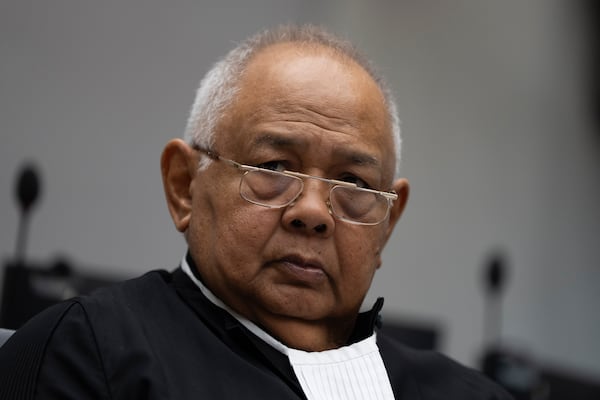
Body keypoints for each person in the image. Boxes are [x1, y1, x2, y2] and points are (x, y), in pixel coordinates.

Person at [0, 25, 512, 399]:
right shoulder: (90, 355)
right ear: (184, 185)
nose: (313, 212)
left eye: (353, 182)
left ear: (386, 224)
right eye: (273, 165)